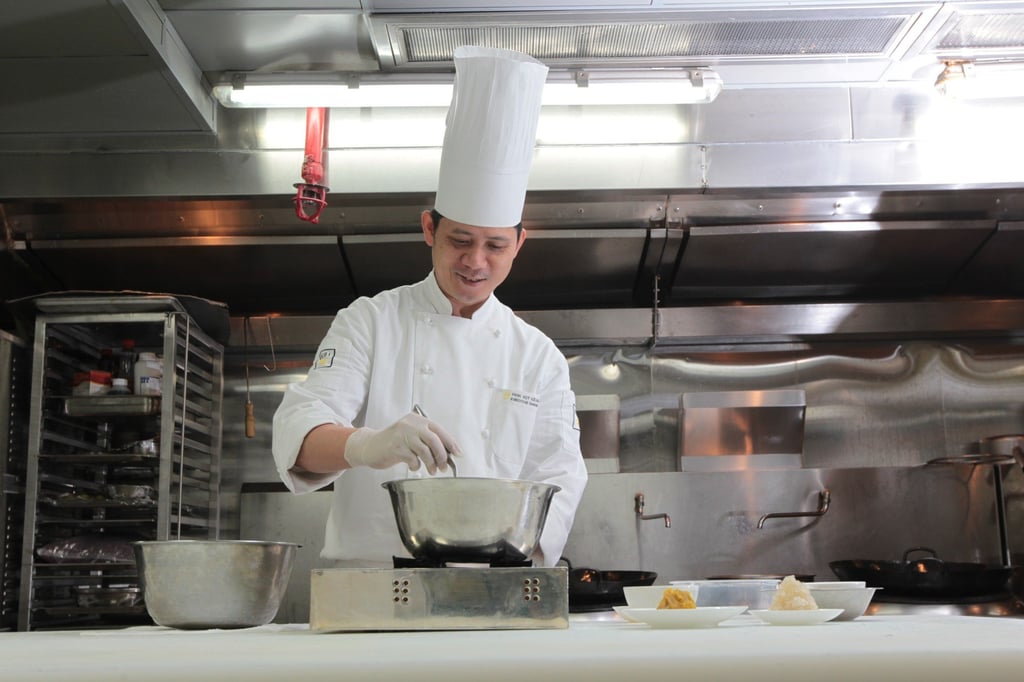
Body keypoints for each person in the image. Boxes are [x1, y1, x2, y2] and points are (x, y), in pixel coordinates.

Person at [272, 45, 588, 568]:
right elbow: (299, 434)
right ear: (428, 229)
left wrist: (515, 573)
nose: (476, 262)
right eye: (460, 241)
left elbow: (558, 477)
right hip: (374, 589)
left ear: (520, 244)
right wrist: (366, 445)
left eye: (495, 246)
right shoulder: (370, 323)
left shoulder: (538, 356)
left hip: (492, 593)